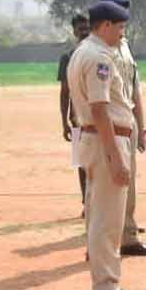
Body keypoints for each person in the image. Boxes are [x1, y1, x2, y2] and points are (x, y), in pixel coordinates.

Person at [66, 0, 143, 290]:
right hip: (105, 139)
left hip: (99, 138)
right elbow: (99, 109)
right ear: (106, 25)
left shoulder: (86, 50)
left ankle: (109, 281)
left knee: (102, 216)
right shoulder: (99, 57)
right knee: (107, 221)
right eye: (120, 28)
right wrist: (116, 157)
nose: (123, 34)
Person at [99, 0, 146, 257]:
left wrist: (140, 126)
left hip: (128, 123)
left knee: (128, 183)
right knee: (105, 186)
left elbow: (135, 89)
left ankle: (128, 235)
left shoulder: (124, 46)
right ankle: (103, 242)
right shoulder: (98, 50)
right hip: (109, 126)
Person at [58, 13, 91, 214]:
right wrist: (64, 122)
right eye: (80, 28)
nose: (84, 31)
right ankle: (86, 203)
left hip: (100, 118)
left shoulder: (101, 53)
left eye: (87, 27)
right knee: (81, 162)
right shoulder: (68, 58)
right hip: (78, 119)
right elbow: (64, 92)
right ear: (74, 31)